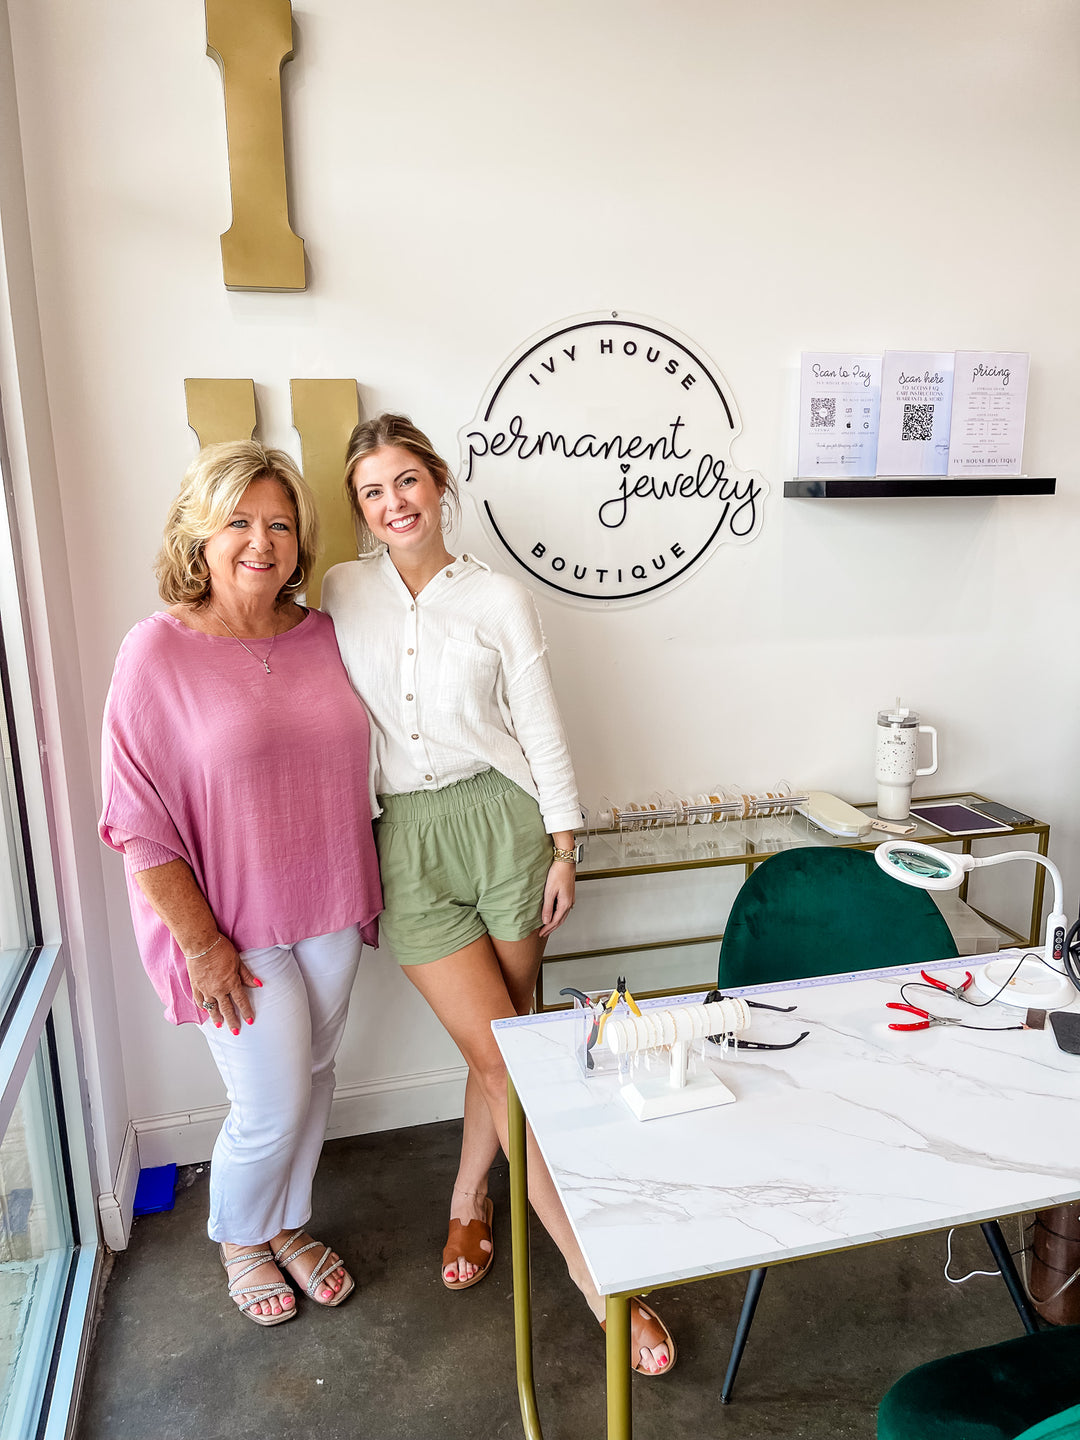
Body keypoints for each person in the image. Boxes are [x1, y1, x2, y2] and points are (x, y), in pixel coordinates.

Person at [321, 413, 674, 1375]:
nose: (394, 503)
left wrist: (566, 846)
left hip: (508, 826)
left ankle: (469, 1202)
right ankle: (597, 1277)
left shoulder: (499, 600)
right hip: (409, 842)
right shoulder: (341, 591)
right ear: (358, 509)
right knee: (506, 1061)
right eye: (372, 492)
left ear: (438, 482)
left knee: (507, 1043)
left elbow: (542, 728)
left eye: (406, 480)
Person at [100, 442, 382, 1327]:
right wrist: (201, 945)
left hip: (332, 899)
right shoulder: (155, 652)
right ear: (199, 533)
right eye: (240, 521)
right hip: (232, 923)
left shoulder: (326, 635)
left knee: (316, 1072)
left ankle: (286, 1222)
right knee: (270, 1099)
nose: (262, 541)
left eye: (281, 524)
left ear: (301, 542)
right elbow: (134, 820)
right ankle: (238, 1235)